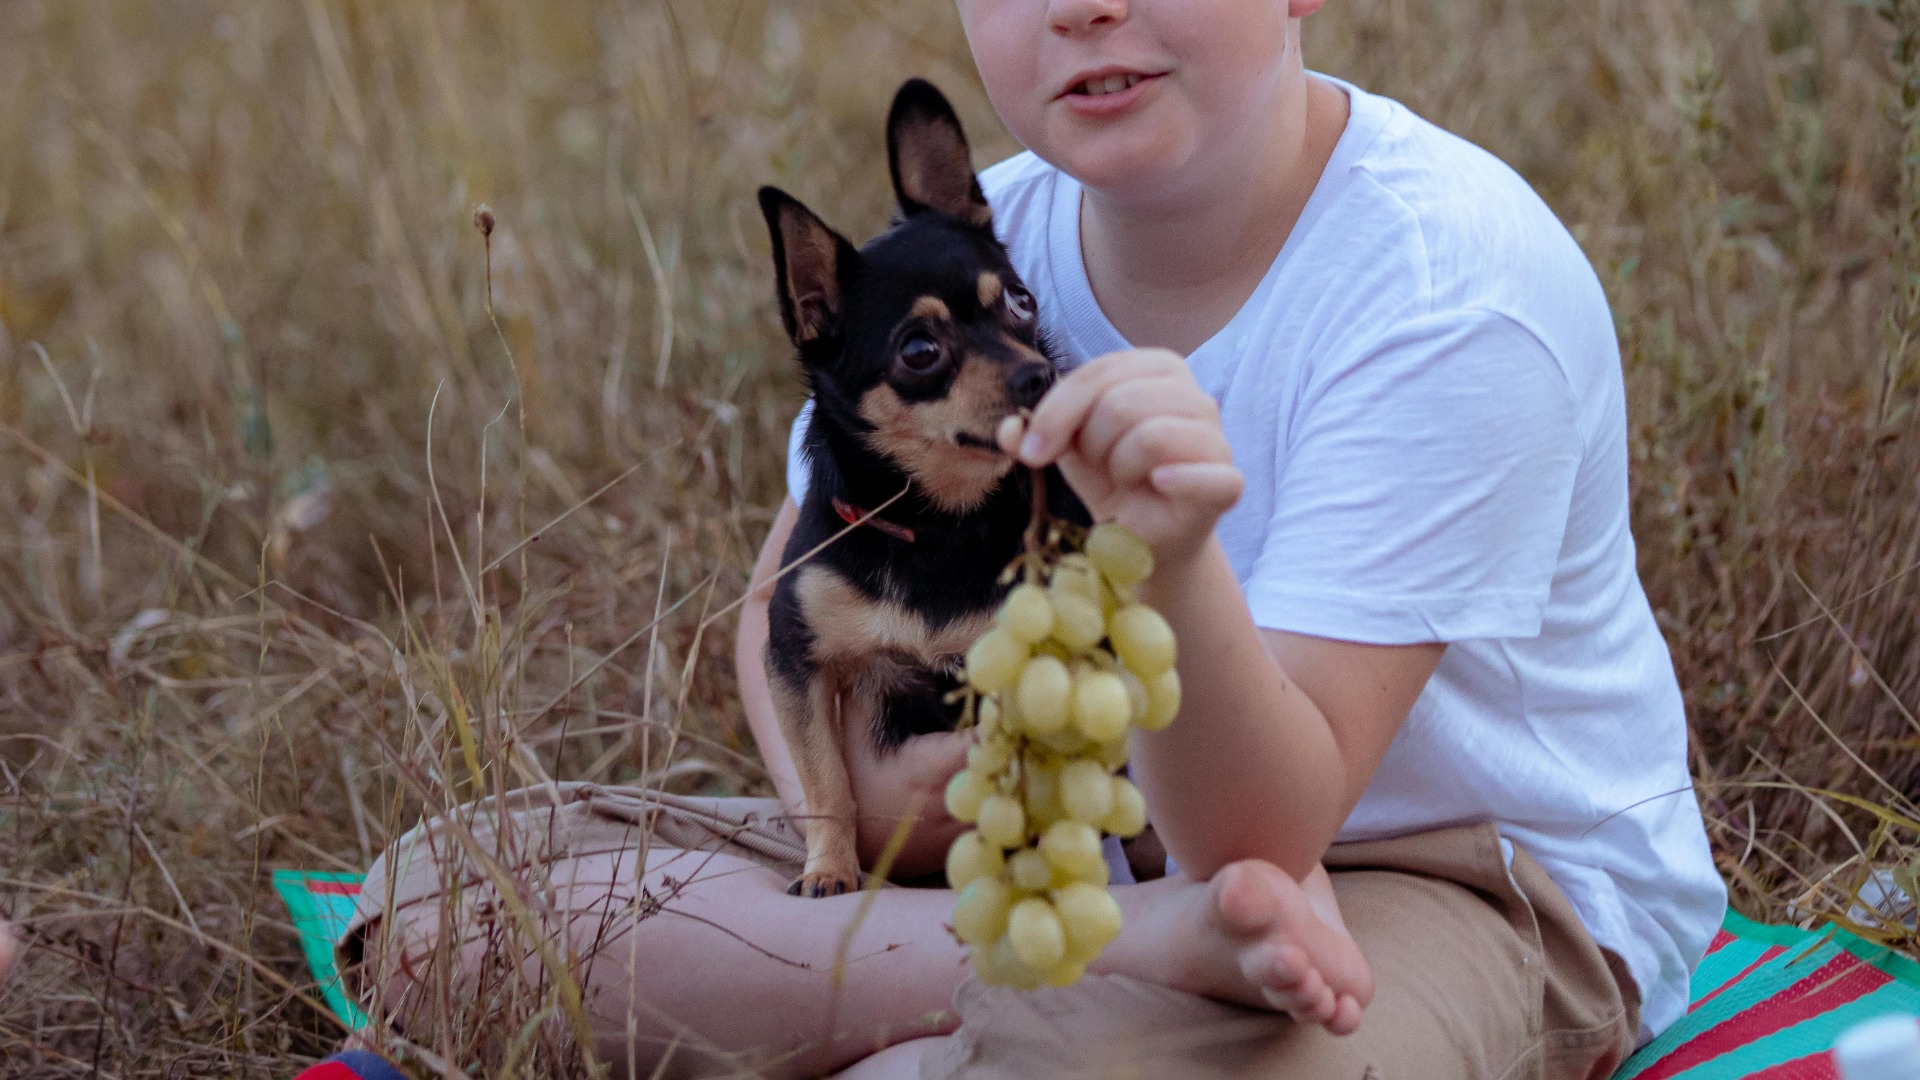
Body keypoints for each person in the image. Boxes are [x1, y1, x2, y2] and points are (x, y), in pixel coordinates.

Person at [338, 0, 1727, 1076]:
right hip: (1040, 867)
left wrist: (1169, 558)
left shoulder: (1447, 294)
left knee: (1081, 1059)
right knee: (444, 914)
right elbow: (784, 607)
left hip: (1434, 874)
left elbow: (1262, 833)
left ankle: (932, 1016)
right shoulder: (963, 255)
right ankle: (1096, 968)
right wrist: (866, 816)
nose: (1083, 3)